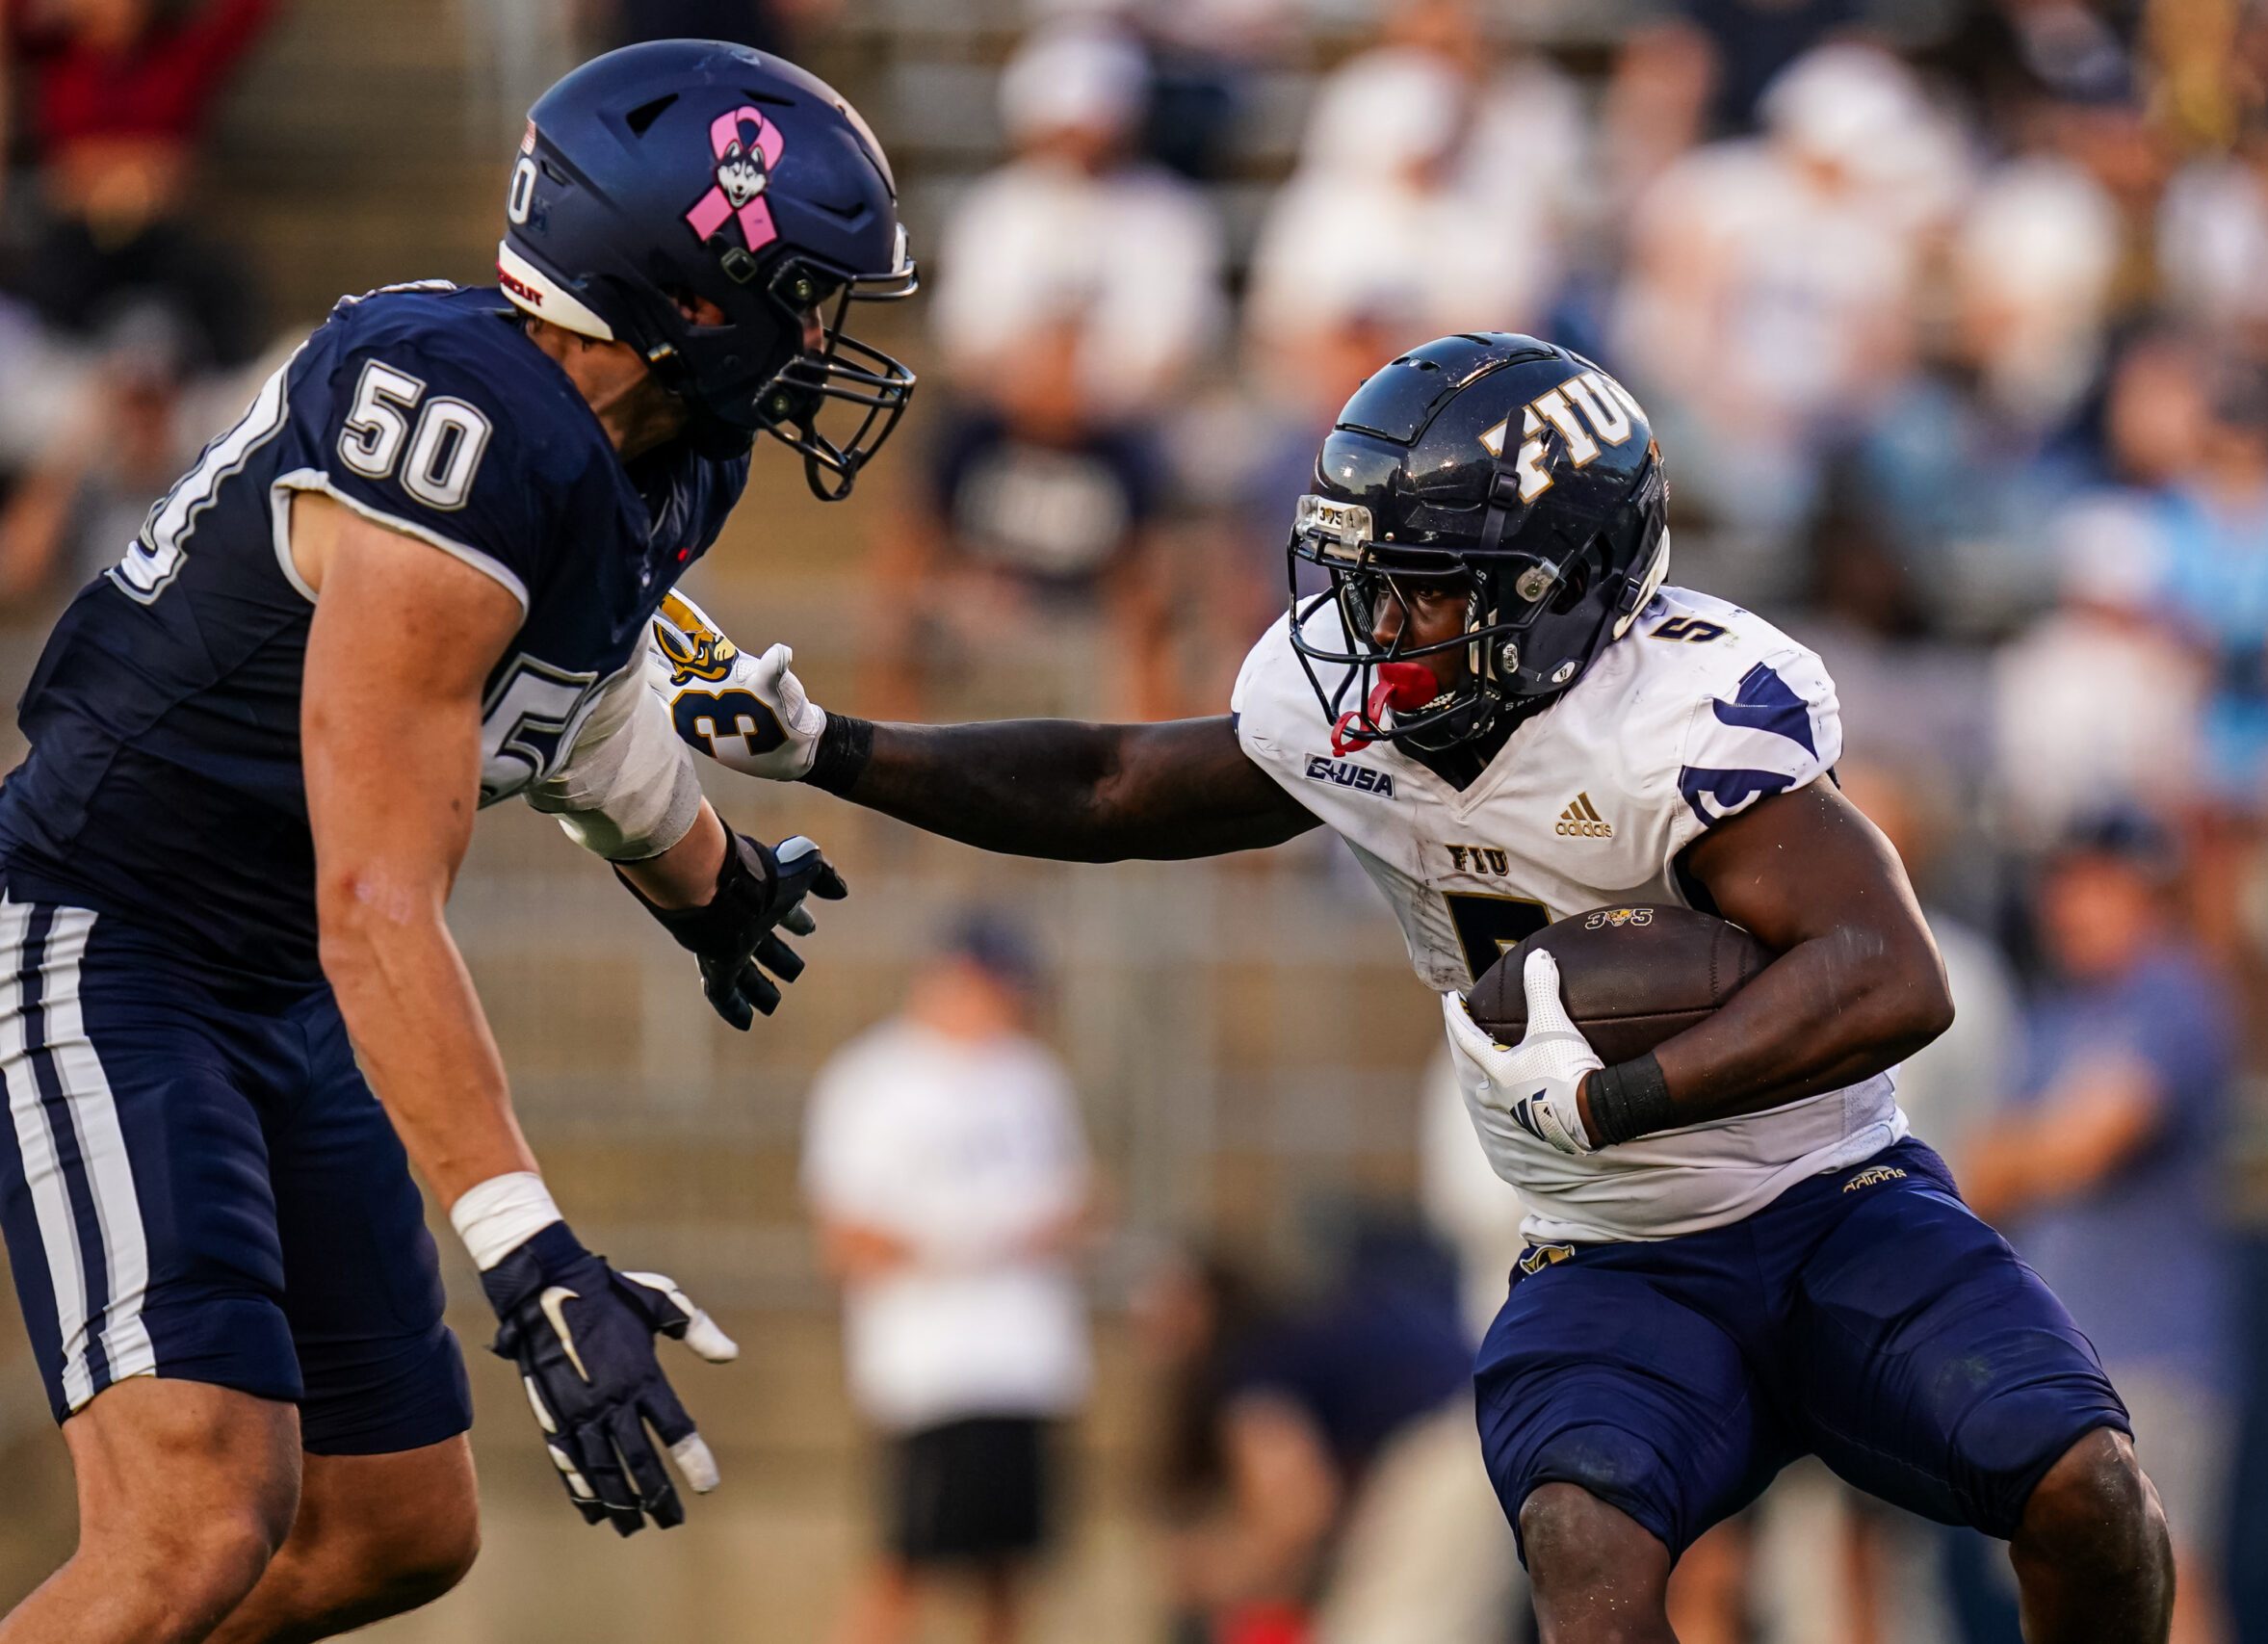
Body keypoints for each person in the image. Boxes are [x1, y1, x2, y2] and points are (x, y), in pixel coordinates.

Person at [661, 333, 2177, 1642]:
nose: (1374, 629)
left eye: (1426, 589)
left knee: (2087, 1489)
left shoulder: (1686, 712)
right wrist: (830, 747)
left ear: (1559, 587)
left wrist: (1621, 1088)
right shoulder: (1354, 707)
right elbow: (1117, 780)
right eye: (1364, 580)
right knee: (1587, 1549)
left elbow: (1890, 972)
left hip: (1831, 1194)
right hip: (1608, 1245)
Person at [0, 39, 914, 1644]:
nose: (828, 342)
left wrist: (708, 882)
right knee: (195, 1516)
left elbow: (580, 700)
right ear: (690, 294)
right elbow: (375, 891)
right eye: (807, 296)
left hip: (275, 975)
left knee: (392, 1525)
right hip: (111, 935)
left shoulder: (652, 444)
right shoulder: (462, 422)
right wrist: (532, 1249)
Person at [1963, 815, 2239, 1644]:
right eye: (2060, 881)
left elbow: (2083, 1144)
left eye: (2092, 881)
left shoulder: (2174, 992)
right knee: (2057, 1585)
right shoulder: (2052, 1018)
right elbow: (1980, 1177)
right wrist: (2030, 1147)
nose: (2069, 903)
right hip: (2056, 1357)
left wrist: (2030, 1147)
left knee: (2170, 1577)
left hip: (2150, 1354)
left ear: (2142, 890)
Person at [804, 916, 1093, 1644]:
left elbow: (1078, 1199)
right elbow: (847, 1235)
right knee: (906, 1563)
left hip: (1024, 1360)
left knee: (1009, 1570)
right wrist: (976, 1237)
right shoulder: (873, 1079)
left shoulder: (1031, 1076)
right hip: (929, 1366)